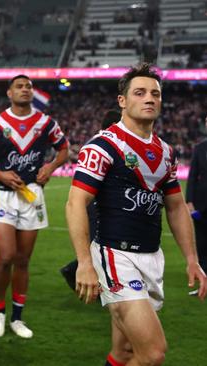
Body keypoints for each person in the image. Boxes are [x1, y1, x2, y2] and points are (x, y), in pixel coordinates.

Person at [66, 63, 207, 366]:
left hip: (151, 257)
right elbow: (75, 203)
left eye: (155, 94)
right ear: (123, 101)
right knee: (153, 353)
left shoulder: (166, 152)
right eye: (140, 92)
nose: (149, 99)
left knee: (124, 353)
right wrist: (84, 263)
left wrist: (192, 259)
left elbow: (176, 207)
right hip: (116, 256)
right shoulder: (104, 145)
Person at [0, 75, 69, 338]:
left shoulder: (46, 123)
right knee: (6, 257)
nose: (26, 89)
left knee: (23, 261)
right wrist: (1, 175)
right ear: (9, 93)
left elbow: (64, 150)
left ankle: (17, 318)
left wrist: (50, 167)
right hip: (4, 195)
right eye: (20, 86)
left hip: (33, 195)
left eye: (29, 86)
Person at [60, 109, 121, 291]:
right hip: (94, 204)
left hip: (99, 204)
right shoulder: (100, 146)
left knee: (106, 246)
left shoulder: (101, 143)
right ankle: (74, 271)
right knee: (99, 246)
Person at [186, 115, 207, 285]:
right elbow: (192, 177)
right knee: (201, 243)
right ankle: (204, 281)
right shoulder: (199, 148)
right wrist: (190, 202)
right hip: (202, 205)